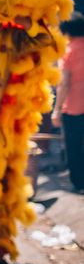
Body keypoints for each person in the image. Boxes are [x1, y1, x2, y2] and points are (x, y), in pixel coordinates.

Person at [53, 11, 84, 191]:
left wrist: (56, 110)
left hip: (73, 106)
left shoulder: (68, 51)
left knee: (74, 146)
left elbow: (63, 84)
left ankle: (79, 182)